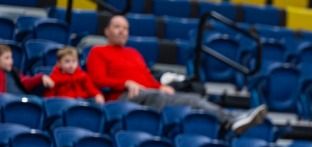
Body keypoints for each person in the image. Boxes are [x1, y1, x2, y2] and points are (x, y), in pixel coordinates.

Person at [85, 15, 266, 130]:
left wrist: (160, 86)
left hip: (149, 93)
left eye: (125, 28)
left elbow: (146, 78)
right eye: (117, 27)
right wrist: (124, 83)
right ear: (107, 31)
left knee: (193, 98)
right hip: (122, 97)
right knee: (158, 97)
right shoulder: (97, 51)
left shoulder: (133, 53)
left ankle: (232, 119)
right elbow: (97, 79)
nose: (122, 31)